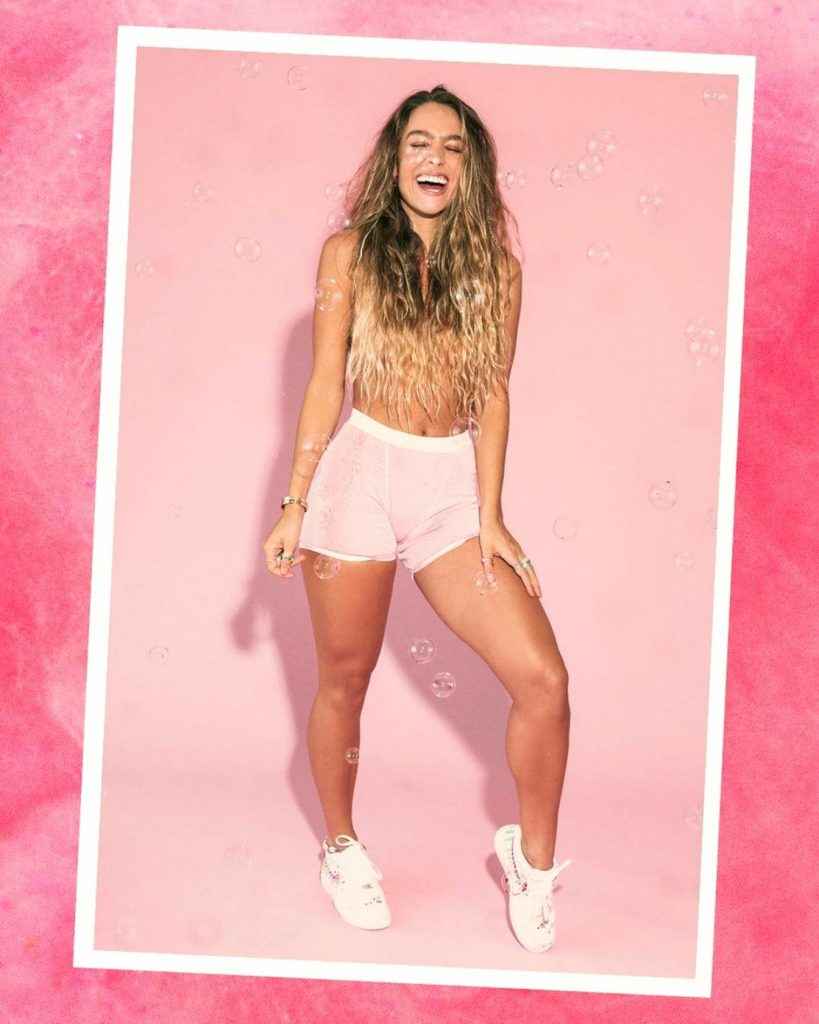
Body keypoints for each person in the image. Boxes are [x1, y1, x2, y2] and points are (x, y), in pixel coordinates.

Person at [263, 85, 572, 954]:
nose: (434, 159)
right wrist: (295, 502)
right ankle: (342, 850)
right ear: (394, 160)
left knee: (543, 681)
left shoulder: (499, 272)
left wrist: (491, 515)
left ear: (471, 168)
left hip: (448, 491)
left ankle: (532, 866)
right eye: (418, 144)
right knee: (344, 681)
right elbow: (325, 381)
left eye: (453, 147)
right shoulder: (349, 253)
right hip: (359, 476)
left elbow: (493, 393)